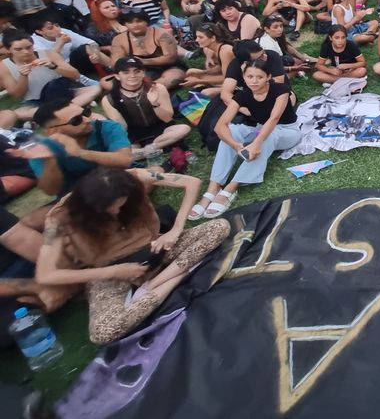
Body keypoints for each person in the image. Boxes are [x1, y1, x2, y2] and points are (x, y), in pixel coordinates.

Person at [34, 167, 229, 345]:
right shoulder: (60, 218)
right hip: (110, 273)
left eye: (120, 205)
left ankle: (153, 285)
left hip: (154, 249)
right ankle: (177, 276)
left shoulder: (134, 178)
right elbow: (46, 275)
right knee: (103, 332)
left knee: (220, 227)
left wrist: (176, 229)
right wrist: (112, 271)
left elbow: (191, 182)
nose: (116, 212)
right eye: (109, 209)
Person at [192, 59, 300, 218]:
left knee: (267, 135)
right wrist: (236, 146)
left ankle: (231, 187)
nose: (254, 81)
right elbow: (220, 126)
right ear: (244, 77)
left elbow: (274, 119)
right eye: (250, 77)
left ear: (268, 77)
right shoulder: (242, 96)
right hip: (259, 129)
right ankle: (213, 187)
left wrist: (256, 144)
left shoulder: (281, 90)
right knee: (233, 130)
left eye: (259, 77)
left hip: (287, 131)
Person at [16, 98, 132, 199]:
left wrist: (80, 153)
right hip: (77, 196)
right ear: (53, 131)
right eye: (76, 120)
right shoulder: (43, 149)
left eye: (85, 113)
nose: (87, 120)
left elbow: (124, 160)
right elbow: (52, 190)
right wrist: (50, 162)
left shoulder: (106, 127)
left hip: (118, 181)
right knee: (32, 221)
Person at [0, 29, 101, 121]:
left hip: (61, 94)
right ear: (8, 50)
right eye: (18, 49)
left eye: (29, 47)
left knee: (95, 89)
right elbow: (17, 95)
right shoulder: (4, 66)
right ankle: (69, 109)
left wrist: (54, 66)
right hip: (35, 101)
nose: (26, 52)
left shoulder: (48, 53)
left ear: (33, 44)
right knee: (18, 113)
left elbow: (75, 74)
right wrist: (23, 76)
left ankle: (52, 113)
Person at [101, 57, 191, 154]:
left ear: (143, 73)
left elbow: (167, 118)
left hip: (161, 130)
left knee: (184, 129)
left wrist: (155, 103)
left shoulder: (157, 88)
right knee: (120, 149)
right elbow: (122, 130)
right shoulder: (110, 99)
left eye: (137, 71)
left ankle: (148, 150)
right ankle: (149, 150)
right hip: (134, 136)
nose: (132, 75)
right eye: (126, 72)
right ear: (117, 76)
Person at [110, 9, 186, 90]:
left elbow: (171, 58)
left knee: (172, 78)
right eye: (130, 22)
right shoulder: (119, 40)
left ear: (146, 22)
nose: (135, 25)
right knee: (107, 83)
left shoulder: (162, 34)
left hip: (169, 67)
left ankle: (145, 89)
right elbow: (117, 63)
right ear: (125, 24)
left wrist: (142, 61)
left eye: (139, 21)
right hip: (139, 69)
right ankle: (141, 88)